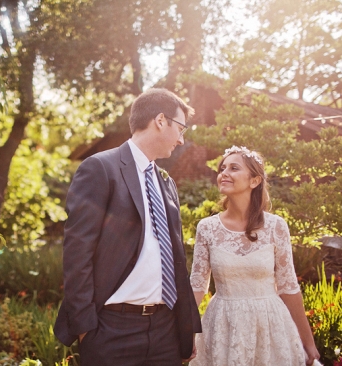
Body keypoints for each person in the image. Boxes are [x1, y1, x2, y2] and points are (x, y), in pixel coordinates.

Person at [53, 88, 202, 365]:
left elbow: (176, 260)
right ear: (160, 120)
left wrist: (184, 325)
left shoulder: (166, 182)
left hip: (164, 332)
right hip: (111, 331)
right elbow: (77, 253)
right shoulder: (100, 168)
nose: (181, 140)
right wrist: (87, 330)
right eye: (180, 128)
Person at [189, 146, 321, 366]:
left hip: (269, 325)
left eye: (234, 168)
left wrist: (308, 343)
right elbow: (197, 285)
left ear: (254, 181)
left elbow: (289, 288)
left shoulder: (276, 226)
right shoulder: (207, 228)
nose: (224, 173)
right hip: (223, 325)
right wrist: (186, 333)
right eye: (223, 168)